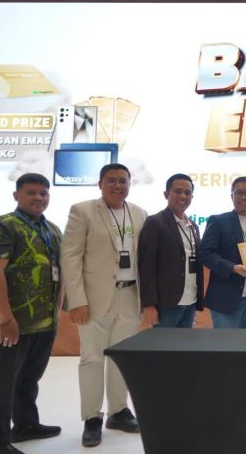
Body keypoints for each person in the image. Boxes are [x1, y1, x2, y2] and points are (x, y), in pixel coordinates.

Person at [60, 163, 147, 447]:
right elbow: (70, 257)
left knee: (122, 358)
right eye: (111, 180)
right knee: (92, 359)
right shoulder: (82, 211)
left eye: (123, 181)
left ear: (129, 184)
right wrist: (77, 300)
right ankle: (92, 417)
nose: (118, 186)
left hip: (130, 296)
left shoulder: (139, 213)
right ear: (100, 184)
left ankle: (118, 411)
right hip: (94, 299)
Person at [0, 173, 62, 454]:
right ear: (16, 195)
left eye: (43, 193)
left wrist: (56, 314)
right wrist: (5, 318)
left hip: (44, 321)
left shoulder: (52, 229)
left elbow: (59, 272)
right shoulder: (1, 226)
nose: (38, 198)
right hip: (11, 322)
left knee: (28, 378)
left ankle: (26, 425)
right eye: (31, 192)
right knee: (1, 384)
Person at [199, 176, 246, 328]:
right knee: (226, 344)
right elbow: (205, 254)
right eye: (239, 193)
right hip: (226, 300)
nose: (243, 197)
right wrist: (232, 268)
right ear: (232, 196)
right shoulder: (218, 221)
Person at [138, 173, 204, 328]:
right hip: (166, 304)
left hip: (190, 302)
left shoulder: (193, 226)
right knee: (163, 344)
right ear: (166, 194)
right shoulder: (155, 222)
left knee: (183, 344)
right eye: (178, 191)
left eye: (187, 192)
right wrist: (149, 304)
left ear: (192, 197)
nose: (183, 196)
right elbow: (146, 266)